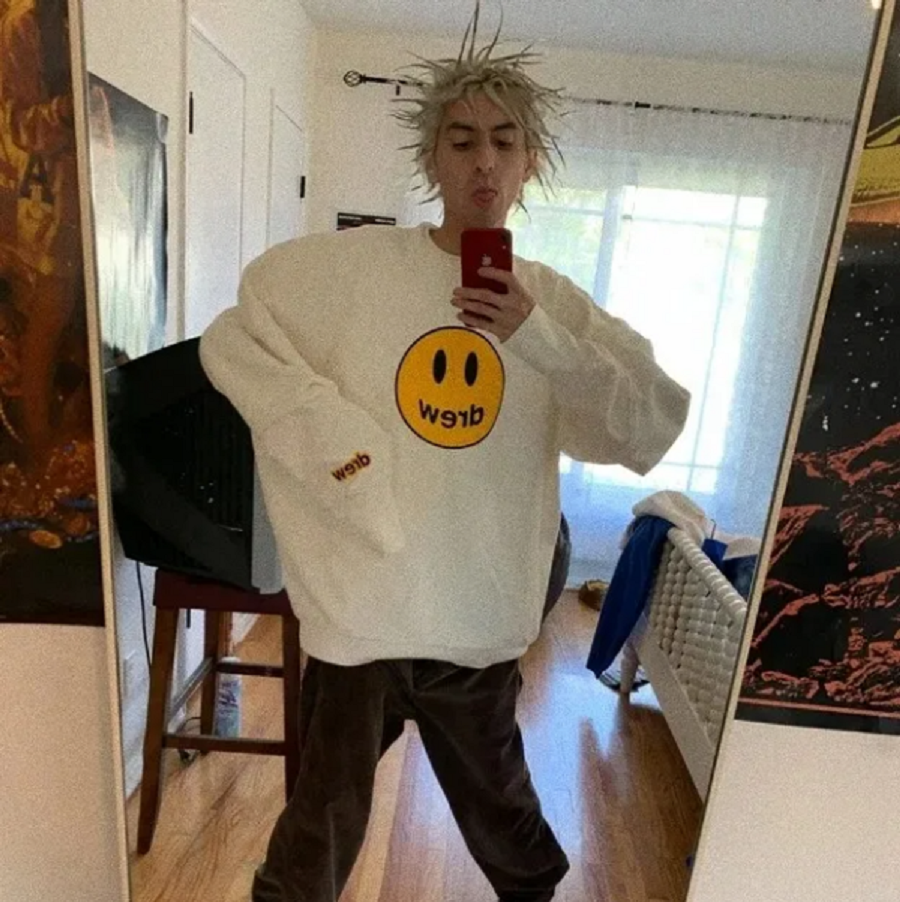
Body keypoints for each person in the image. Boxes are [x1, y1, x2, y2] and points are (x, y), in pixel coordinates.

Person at [200, 10, 690, 902]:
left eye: (505, 141)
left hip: (476, 602)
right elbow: (237, 337)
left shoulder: (550, 300)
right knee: (323, 815)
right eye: (461, 141)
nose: (483, 163)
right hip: (364, 599)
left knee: (500, 807)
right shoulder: (350, 272)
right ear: (431, 159)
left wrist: (537, 337)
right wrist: (343, 453)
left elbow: (650, 423)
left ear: (531, 161)